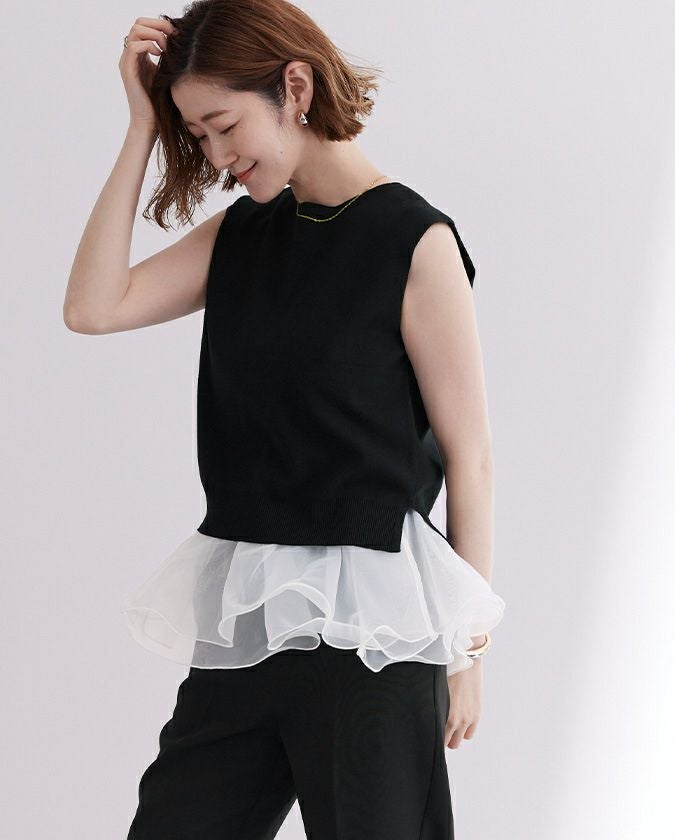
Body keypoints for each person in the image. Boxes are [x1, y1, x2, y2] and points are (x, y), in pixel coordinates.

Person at [63, 1, 506, 837]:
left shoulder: (414, 241)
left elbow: (471, 456)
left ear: (294, 88)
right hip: (252, 617)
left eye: (224, 126)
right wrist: (141, 129)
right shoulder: (242, 235)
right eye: (197, 135)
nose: (216, 155)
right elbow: (93, 307)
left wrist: (468, 650)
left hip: (373, 633)